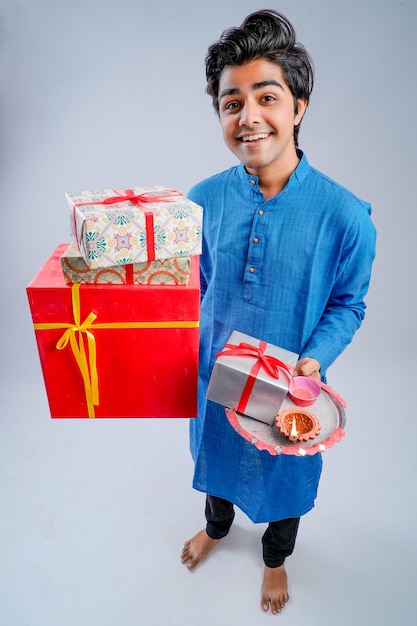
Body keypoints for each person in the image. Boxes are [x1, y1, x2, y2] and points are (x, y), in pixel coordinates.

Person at [180, 9, 376, 615]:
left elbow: (348, 303)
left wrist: (313, 363)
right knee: (214, 458)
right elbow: (197, 285)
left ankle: (275, 559)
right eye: (230, 102)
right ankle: (216, 530)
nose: (248, 117)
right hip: (214, 375)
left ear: (299, 105)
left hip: (290, 384)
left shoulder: (346, 216)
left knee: (283, 479)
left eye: (266, 96)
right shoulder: (202, 199)